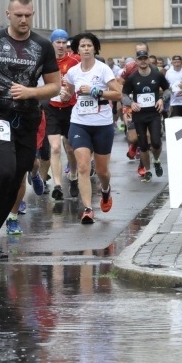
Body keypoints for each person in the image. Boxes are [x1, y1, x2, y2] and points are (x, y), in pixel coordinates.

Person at [0, 0, 61, 259]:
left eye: (28, 15)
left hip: (27, 119)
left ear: (33, 15)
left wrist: (31, 92)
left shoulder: (42, 46)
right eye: (18, 15)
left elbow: (54, 85)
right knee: (5, 171)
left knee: (18, 174)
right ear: (8, 14)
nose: (23, 20)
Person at [63, 32, 122, 223]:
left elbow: (118, 94)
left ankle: (105, 190)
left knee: (103, 171)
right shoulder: (73, 72)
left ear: (95, 49)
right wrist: (65, 96)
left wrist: (97, 91)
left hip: (102, 124)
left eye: (89, 46)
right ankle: (87, 208)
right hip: (79, 122)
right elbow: (70, 94)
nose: (86, 49)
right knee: (82, 166)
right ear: (77, 50)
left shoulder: (103, 69)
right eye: (83, 46)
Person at [122, 49, 170, 183]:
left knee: (155, 141)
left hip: (154, 113)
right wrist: (131, 103)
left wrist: (162, 99)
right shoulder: (132, 78)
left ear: (148, 60)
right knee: (142, 145)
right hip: (139, 115)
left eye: (145, 58)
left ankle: (156, 159)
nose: (143, 61)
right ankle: (147, 170)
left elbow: (167, 89)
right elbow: (124, 95)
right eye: (140, 59)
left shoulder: (157, 75)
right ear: (136, 61)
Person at [44, 29, 81, 201]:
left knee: (70, 148)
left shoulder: (75, 61)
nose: (60, 46)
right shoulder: (46, 61)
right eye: (57, 42)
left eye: (63, 42)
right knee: (56, 147)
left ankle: (73, 176)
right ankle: (57, 185)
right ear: (52, 44)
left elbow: (84, 79)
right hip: (52, 107)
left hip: (71, 108)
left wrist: (74, 92)